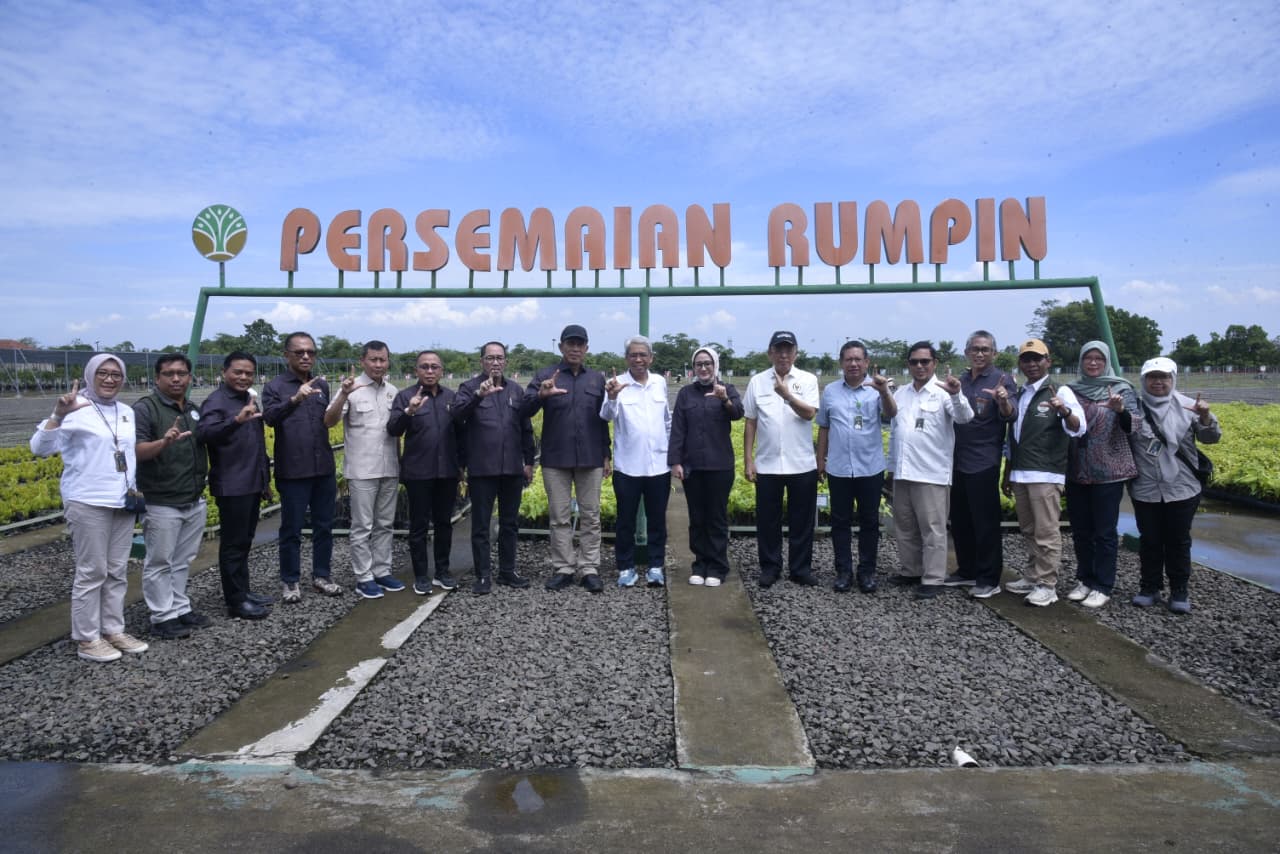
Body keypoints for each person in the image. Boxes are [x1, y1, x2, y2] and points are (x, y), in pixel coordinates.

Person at [31, 354, 150, 662]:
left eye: (116, 374)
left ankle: (113, 629)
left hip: (122, 500)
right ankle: (87, 638)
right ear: (90, 375)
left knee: (116, 570)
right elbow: (40, 448)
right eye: (103, 373)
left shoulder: (126, 411)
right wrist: (57, 415)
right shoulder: (75, 408)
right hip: (87, 500)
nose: (110, 379)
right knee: (92, 571)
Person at [995, 338, 1085, 607]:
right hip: (1021, 473)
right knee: (1029, 529)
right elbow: (1014, 436)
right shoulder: (1021, 393)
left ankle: (1047, 584)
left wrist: (1064, 411)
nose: (1032, 364)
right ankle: (1033, 576)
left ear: (1048, 361)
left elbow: (1078, 427)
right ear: (1020, 363)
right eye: (1026, 359)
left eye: (1037, 358)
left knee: (1046, 532)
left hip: (1045, 474)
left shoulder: (1060, 391)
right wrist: (1008, 472)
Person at [1127, 357, 1220, 614]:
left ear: (1173, 379)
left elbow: (1211, 438)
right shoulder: (1133, 408)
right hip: (1145, 487)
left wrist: (1205, 416)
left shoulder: (1190, 406)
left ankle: (1179, 590)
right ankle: (1149, 587)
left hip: (1182, 487)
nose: (1158, 382)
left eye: (1164, 377)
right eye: (1152, 377)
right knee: (1150, 540)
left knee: (1178, 540)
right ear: (1144, 380)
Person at [524, 324, 611, 593]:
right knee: (559, 516)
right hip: (555, 457)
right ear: (561, 347)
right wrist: (541, 395)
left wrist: (606, 454)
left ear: (586, 348)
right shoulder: (546, 376)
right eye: (570, 344)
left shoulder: (596, 379)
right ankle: (564, 567)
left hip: (591, 457)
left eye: (579, 344)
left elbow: (603, 420)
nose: (575, 348)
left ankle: (589, 568)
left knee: (591, 515)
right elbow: (525, 408)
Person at [133, 353, 212, 639]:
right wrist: (163, 442)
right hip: (161, 500)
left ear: (190, 377)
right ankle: (162, 616)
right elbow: (136, 451)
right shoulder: (146, 409)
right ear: (157, 378)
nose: (176, 379)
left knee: (182, 560)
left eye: (182, 373)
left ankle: (179, 607)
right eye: (169, 374)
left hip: (192, 497)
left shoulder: (192, 409)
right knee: (159, 562)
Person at [886, 342, 973, 599]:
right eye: (914, 361)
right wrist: (891, 468)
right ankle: (911, 570)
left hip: (931, 473)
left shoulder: (944, 391)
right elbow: (895, 433)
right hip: (903, 472)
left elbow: (965, 417)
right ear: (908, 365)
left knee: (933, 528)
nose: (920, 366)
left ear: (934, 363)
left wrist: (957, 394)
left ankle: (934, 577)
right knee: (904, 526)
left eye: (925, 361)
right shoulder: (901, 393)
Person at [262, 332, 341, 602]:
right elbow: (270, 418)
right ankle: (290, 580)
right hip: (293, 470)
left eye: (311, 352)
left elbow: (327, 421)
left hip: (323, 468)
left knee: (324, 526)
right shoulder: (275, 387)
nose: (306, 357)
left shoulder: (322, 385)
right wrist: (294, 399)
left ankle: (322, 575)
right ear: (287, 355)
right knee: (291, 529)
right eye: (299, 352)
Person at [451, 342, 535, 594]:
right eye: (490, 358)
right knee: (480, 525)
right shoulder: (468, 388)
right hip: (482, 468)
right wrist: (479, 396)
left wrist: (529, 461)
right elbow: (457, 416)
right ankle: (483, 575)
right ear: (482, 362)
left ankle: (508, 571)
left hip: (511, 468)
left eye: (499, 358)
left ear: (506, 362)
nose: (495, 362)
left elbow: (525, 428)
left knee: (509, 523)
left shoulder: (515, 390)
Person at [325, 341, 405, 599]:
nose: (378, 364)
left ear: (388, 361)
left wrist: (399, 463)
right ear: (363, 361)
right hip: (362, 470)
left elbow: (396, 432)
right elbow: (329, 421)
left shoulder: (393, 391)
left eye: (383, 359)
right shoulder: (352, 389)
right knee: (362, 526)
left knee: (385, 524)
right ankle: (364, 577)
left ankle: (382, 571)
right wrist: (343, 394)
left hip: (389, 467)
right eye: (373, 359)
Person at [816, 340, 897, 593]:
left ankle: (867, 572)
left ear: (866, 363)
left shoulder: (877, 390)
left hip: (870, 468)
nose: (853, 363)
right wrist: (820, 459)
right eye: (848, 359)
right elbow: (824, 426)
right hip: (839, 468)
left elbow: (891, 414)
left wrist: (884, 392)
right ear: (841, 363)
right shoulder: (830, 391)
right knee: (839, 522)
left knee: (869, 521)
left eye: (858, 359)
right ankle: (843, 571)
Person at [1064, 341, 1140, 609]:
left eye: (1099, 358)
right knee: (1081, 530)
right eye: (1088, 358)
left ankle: (1103, 585)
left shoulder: (1121, 389)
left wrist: (1121, 411)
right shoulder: (1071, 389)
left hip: (1109, 472)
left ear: (1106, 361)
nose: (1093, 362)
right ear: (1081, 361)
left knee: (1105, 532)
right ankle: (1085, 578)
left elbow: (1135, 425)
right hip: (1077, 470)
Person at [198, 353, 273, 620]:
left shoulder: (247, 399)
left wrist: (264, 480)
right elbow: (205, 433)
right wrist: (236, 421)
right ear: (224, 372)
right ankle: (236, 601)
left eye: (248, 373)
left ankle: (244, 591)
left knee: (244, 541)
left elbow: (257, 444)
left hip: (251, 482)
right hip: (232, 484)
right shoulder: (216, 401)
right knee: (233, 545)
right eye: (238, 372)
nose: (243, 377)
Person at [742, 330, 820, 588]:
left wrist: (787, 395)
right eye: (779, 349)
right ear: (770, 353)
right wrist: (748, 459)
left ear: (796, 353)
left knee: (802, 521)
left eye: (788, 350)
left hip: (802, 464)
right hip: (767, 464)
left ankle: (800, 569)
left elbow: (809, 414)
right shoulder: (757, 382)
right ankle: (770, 567)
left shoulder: (808, 380)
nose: (783, 354)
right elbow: (751, 421)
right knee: (767, 521)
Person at [948, 331, 1018, 599]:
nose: (979, 354)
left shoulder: (1002, 380)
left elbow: (1011, 414)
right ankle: (967, 569)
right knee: (961, 520)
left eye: (985, 349)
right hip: (957, 460)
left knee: (985, 524)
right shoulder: (962, 380)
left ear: (994, 353)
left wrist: (1003, 401)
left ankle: (989, 578)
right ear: (966, 352)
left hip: (983, 461)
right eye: (975, 349)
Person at [388, 350, 463, 595]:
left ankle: (442, 571)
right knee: (418, 526)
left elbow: (461, 434)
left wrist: (461, 466)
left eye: (434, 367)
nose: (429, 371)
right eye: (424, 366)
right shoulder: (405, 397)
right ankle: (421, 575)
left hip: (447, 472)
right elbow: (393, 430)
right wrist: (409, 411)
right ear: (416, 370)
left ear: (441, 370)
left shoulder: (451, 397)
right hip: (418, 472)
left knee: (444, 523)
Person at [601, 336, 672, 588]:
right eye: (633, 355)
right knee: (625, 520)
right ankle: (625, 567)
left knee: (657, 520)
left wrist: (672, 454)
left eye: (643, 355)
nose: (638, 359)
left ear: (651, 358)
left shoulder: (659, 382)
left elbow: (666, 420)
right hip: (627, 466)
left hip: (659, 465)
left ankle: (655, 566)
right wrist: (611, 397)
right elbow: (606, 416)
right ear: (626, 358)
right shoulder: (616, 384)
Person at [668, 346, 743, 587]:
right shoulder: (685, 394)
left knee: (716, 517)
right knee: (697, 517)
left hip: (720, 466)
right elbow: (678, 429)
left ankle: (718, 566)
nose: (703, 368)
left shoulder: (727, 389)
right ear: (693, 368)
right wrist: (675, 461)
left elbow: (738, 414)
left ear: (715, 366)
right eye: (699, 364)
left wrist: (724, 399)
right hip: (693, 467)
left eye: (707, 363)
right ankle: (700, 564)